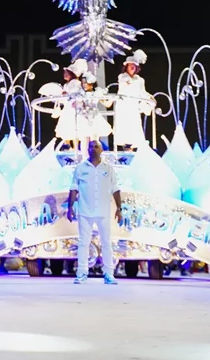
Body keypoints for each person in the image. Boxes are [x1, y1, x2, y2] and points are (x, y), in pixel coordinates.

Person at [67, 139, 122, 285]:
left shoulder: (108, 168)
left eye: (96, 146)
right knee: (83, 243)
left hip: (103, 211)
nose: (93, 149)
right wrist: (70, 207)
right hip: (85, 211)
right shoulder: (80, 168)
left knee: (106, 243)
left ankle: (109, 274)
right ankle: (82, 273)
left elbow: (115, 189)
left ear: (101, 150)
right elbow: (74, 188)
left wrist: (119, 208)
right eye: (90, 146)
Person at [112, 49, 154, 150]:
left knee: (134, 130)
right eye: (130, 65)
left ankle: (132, 150)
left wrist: (150, 98)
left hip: (133, 108)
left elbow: (142, 92)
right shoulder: (122, 77)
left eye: (134, 66)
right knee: (124, 130)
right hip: (123, 107)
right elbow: (124, 85)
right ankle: (125, 150)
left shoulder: (140, 80)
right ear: (126, 66)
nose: (132, 67)